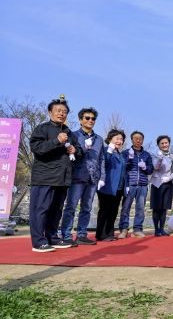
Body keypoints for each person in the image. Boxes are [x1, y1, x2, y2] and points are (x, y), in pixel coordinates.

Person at [28, 96, 83, 252]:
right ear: (50, 112)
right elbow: (37, 148)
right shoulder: (42, 129)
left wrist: (75, 150)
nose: (61, 114)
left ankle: (52, 237)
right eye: (58, 111)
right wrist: (56, 141)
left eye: (64, 111)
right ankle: (38, 242)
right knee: (40, 209)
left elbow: (79, 152)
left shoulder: (69, 132)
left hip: (63, 178)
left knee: (56, 210)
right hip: (44, 178)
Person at [59, 107, 104, 246]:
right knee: (71, 207)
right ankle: (66, 235)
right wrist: (84, 148)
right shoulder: (73, 135)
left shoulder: (99, 139)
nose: (90, 120)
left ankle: (82, 235)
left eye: (93, 118)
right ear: (80, 120)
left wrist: (102, 177)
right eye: (87, 118)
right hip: (77, 177)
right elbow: (68, 154)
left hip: (93, 178)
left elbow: (102, 159)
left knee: (87, 208)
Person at [118, 131, 153, 238]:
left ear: (143, 140)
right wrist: (129, 159)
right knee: (126, 207)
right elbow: (122, 167)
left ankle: (137, 229)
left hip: (142, 185)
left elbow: (150, 170)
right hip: (129, 184)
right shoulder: (125, 153)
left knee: (140, 208)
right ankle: (124, 229)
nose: (138, 140)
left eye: (140, 139)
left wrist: (145, 167)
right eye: (136, 138)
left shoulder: (146, 155)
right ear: (132, 140)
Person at [96, 129, 127, 242]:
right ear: (110, 139)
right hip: (107, 186)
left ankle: (109, 233)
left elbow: (123, 171)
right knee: (104, 210)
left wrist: (126, 185)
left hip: (118, 187)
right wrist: (109, 151)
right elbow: (104, 164)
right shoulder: (105, 150)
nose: (120, 141)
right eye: (117, 138)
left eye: (121, 139)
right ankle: (101, 234)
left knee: (113, 211)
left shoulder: (120, 154)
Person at [150, 135, 173, 236]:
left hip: (168, 183)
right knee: (156, 208)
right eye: (162, 143)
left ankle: (162, 229)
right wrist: (160, 158)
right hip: (157, 183)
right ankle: (156, 229)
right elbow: (156, 167)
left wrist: (169, 178)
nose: (164, 145)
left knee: (164, 208)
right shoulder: (154, 155)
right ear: (158, 145)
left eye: (166, 143)